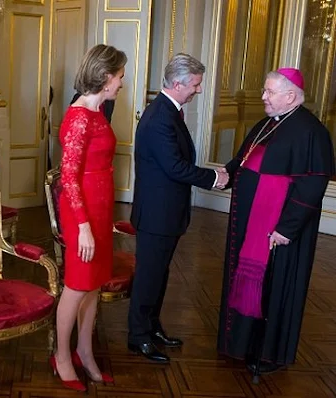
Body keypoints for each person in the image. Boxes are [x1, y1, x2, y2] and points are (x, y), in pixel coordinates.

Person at [217, 68, 335, 375]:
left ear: (291, 96)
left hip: (279, 233)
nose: (263, 97)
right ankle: (241, 345)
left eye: (269, 92)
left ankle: (267, 354)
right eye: (265, 91)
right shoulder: (267, 123)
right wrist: (218, 177)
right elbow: (241, 161)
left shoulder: (312, 132)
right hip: (251, 226)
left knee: (276, 289)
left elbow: (313, 185)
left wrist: (286, 228)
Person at [127, 53, 229, 363]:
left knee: (159, 274)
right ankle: (138, 337)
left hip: (166, 212)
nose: (198, 90)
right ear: (177, 83)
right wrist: (213, 177)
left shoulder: (169, 111)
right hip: (157, 215)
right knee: (148, 276)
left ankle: (152, 327)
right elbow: (175, 167)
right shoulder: (160, 117)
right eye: (196, 85)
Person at [52, 44, 127, 392]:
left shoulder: (99, 112)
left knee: (94, 284)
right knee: (76, 286)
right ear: (106, 76)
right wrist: (83, 226)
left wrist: (102, 220)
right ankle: (62, 355)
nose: (122, 83)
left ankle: (85, 350)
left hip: (98, 210)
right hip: (81, 212)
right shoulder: (79, 116)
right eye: (121, 76)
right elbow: (68, 177)